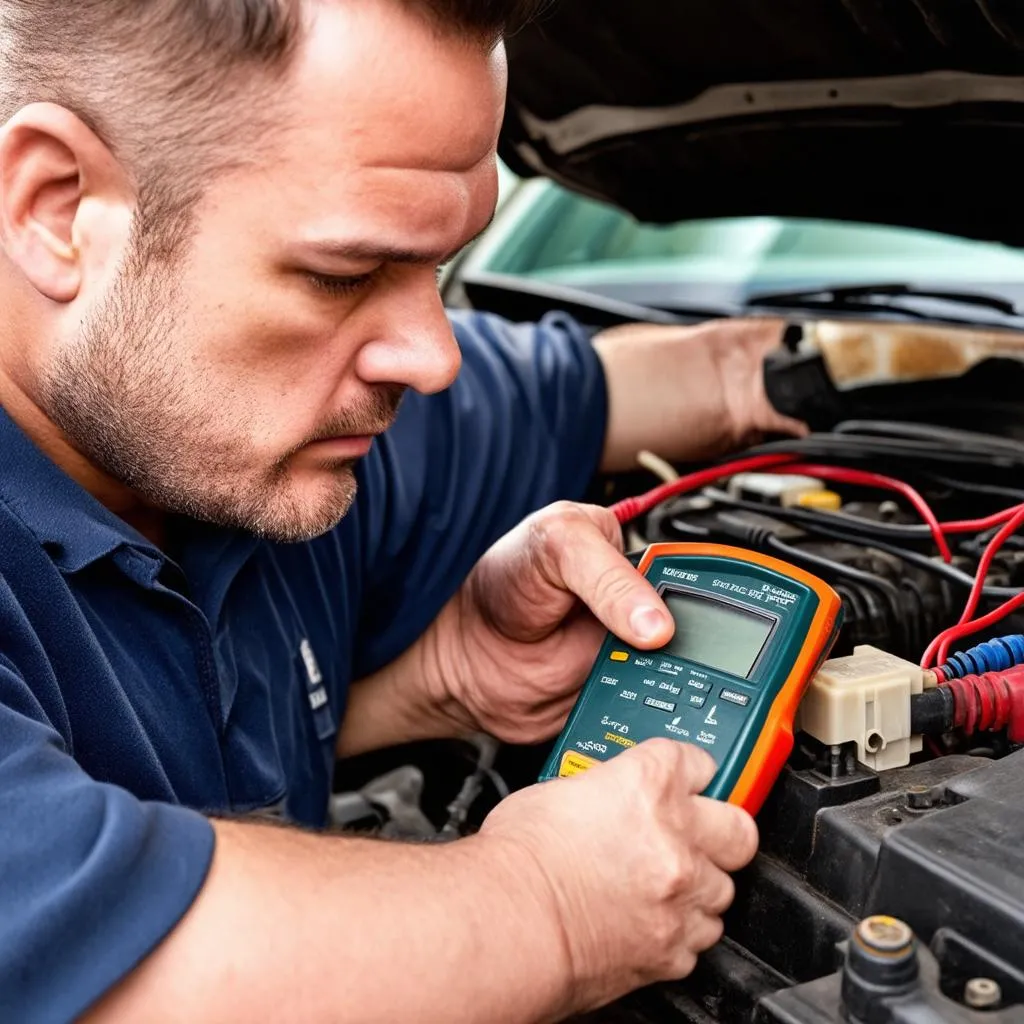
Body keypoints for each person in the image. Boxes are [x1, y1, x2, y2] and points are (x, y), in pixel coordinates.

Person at [0, 2, 805, 1021]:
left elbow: (683, 384)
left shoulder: (289, 425)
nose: (432, 356)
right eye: (344, 274)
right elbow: (115, 974)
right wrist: (550, 903)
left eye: (440, 264)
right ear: (56, 206)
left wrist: (437, 684)